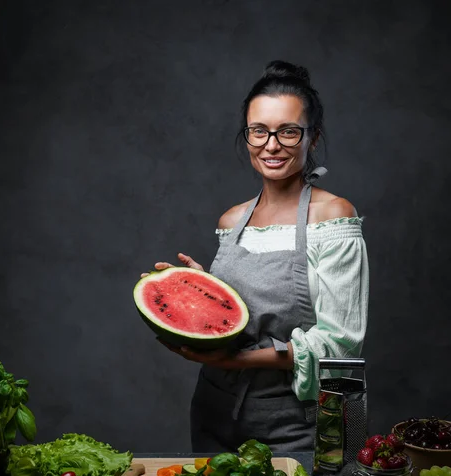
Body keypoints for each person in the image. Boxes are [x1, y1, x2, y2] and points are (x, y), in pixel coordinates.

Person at [142, 60, 369, 453]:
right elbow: (238, 316)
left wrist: (237, 362)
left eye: (288, 132)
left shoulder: (333, 215)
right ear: (247, 136)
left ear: (312, 138)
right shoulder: (232, 220)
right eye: (259, 131)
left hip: (293, 421)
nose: (271, 144)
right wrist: (204, 289)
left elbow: (341, 345)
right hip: (214, 411)